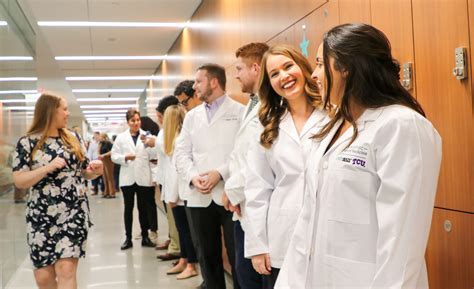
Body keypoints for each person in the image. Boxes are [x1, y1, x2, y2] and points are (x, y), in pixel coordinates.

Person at [275, 23, 442, 289]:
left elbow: (403, 241)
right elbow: (307, 222)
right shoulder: (336, 126)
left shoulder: (401, 126)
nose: (314, 75)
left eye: (320, 64)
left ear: (346, 67)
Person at [243, 44, 326, 289]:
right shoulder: (267, 126)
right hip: (283, 235)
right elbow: (257, 189)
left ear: (303, 67)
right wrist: (258, 246)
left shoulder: (334, 115)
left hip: (327, 233)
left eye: (288, 66)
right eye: (274, 74)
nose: (284, 77)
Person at [11, 93, 103, 289]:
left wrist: (95, 172)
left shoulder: (73, 138)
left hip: (73, 211)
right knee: (43, 278)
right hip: (41, 215)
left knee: (66, 270)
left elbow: (84, 172)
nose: (67, 113)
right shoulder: (27, 143)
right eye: (64, 109)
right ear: (51, 111)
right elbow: (19, 180)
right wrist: (47, 168)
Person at [174, 63, 245, 289]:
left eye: (198, 81)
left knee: (237, 256)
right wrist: (194, 177)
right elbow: (181, 153)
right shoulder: (192, 117)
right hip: (199, 196)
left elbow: (243, 152)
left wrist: (220, 172)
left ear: (214, 82)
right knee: (207, 256)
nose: (195, 87)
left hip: (229, 194)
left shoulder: (240, 112)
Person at [221, 42, 269, 289]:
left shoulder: (270, 107)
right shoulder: (251, 104)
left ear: (256, 67)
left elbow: (256, 159)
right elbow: (238, 153)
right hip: (243, 204)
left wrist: (232, 191)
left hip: (255, 203)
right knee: (243, 271)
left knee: (254, 276)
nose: (236, 74)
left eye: (239, 68)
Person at [161, 105, 199, 280]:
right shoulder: (175, 139)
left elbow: (177, 172)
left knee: (185, 232)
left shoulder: (178, 140)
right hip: (177, 194)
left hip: (180, 195)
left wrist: (172, 197)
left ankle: (191, 264)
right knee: (182, 230)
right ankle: (184, 260)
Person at [111, 108, 156, 250]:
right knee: (128, 209)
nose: (136, 123)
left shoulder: (147, 136)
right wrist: (125, 157)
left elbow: (154, 155)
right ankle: (128, 238)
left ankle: (145, 237)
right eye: (133, 121)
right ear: (128, 122)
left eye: (138, 120)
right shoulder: (121, 138)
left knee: (143, 209)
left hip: (143, 177)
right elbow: (114, 156)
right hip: (128, 177)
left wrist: (149, 144)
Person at [146, 95, 182, 260]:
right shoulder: (163, 131)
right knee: (173, 219)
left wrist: (156, 143)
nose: (159, 120)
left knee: (178, 221)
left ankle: (177, 249)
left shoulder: (177, 130)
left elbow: (170, 150)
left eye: (160, 117)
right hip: (166, 180)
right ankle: (173, 243)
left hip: (176, 183)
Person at [140, 116, 160, 242]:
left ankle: (153, 229)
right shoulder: (145, 137)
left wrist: (147, 144)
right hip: (143, 173)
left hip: (153, 171)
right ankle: (145, 230)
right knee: (143, 203)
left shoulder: (153, 137)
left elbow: (153, 154)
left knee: (150, 203)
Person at [98, 132, 115, 198]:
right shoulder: (100, 144)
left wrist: (104, 155)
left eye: (100, 136)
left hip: (108, 160)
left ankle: (112, 192)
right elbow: (99, 151)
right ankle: (106, 192)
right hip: (102, 160)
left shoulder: (109, 143)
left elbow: (112, 151)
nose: (99, 138)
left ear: (104, 137)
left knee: (109, 177)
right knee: (104, 177)